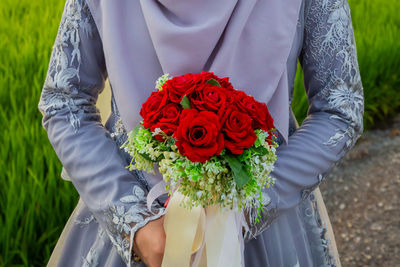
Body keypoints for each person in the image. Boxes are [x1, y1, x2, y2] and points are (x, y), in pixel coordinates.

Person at [38, 0, 364, 266]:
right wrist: (134, 221)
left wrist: (242, 212)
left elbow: (340, 109)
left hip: (260, 226)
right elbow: (64, 103)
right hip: (143, 229)